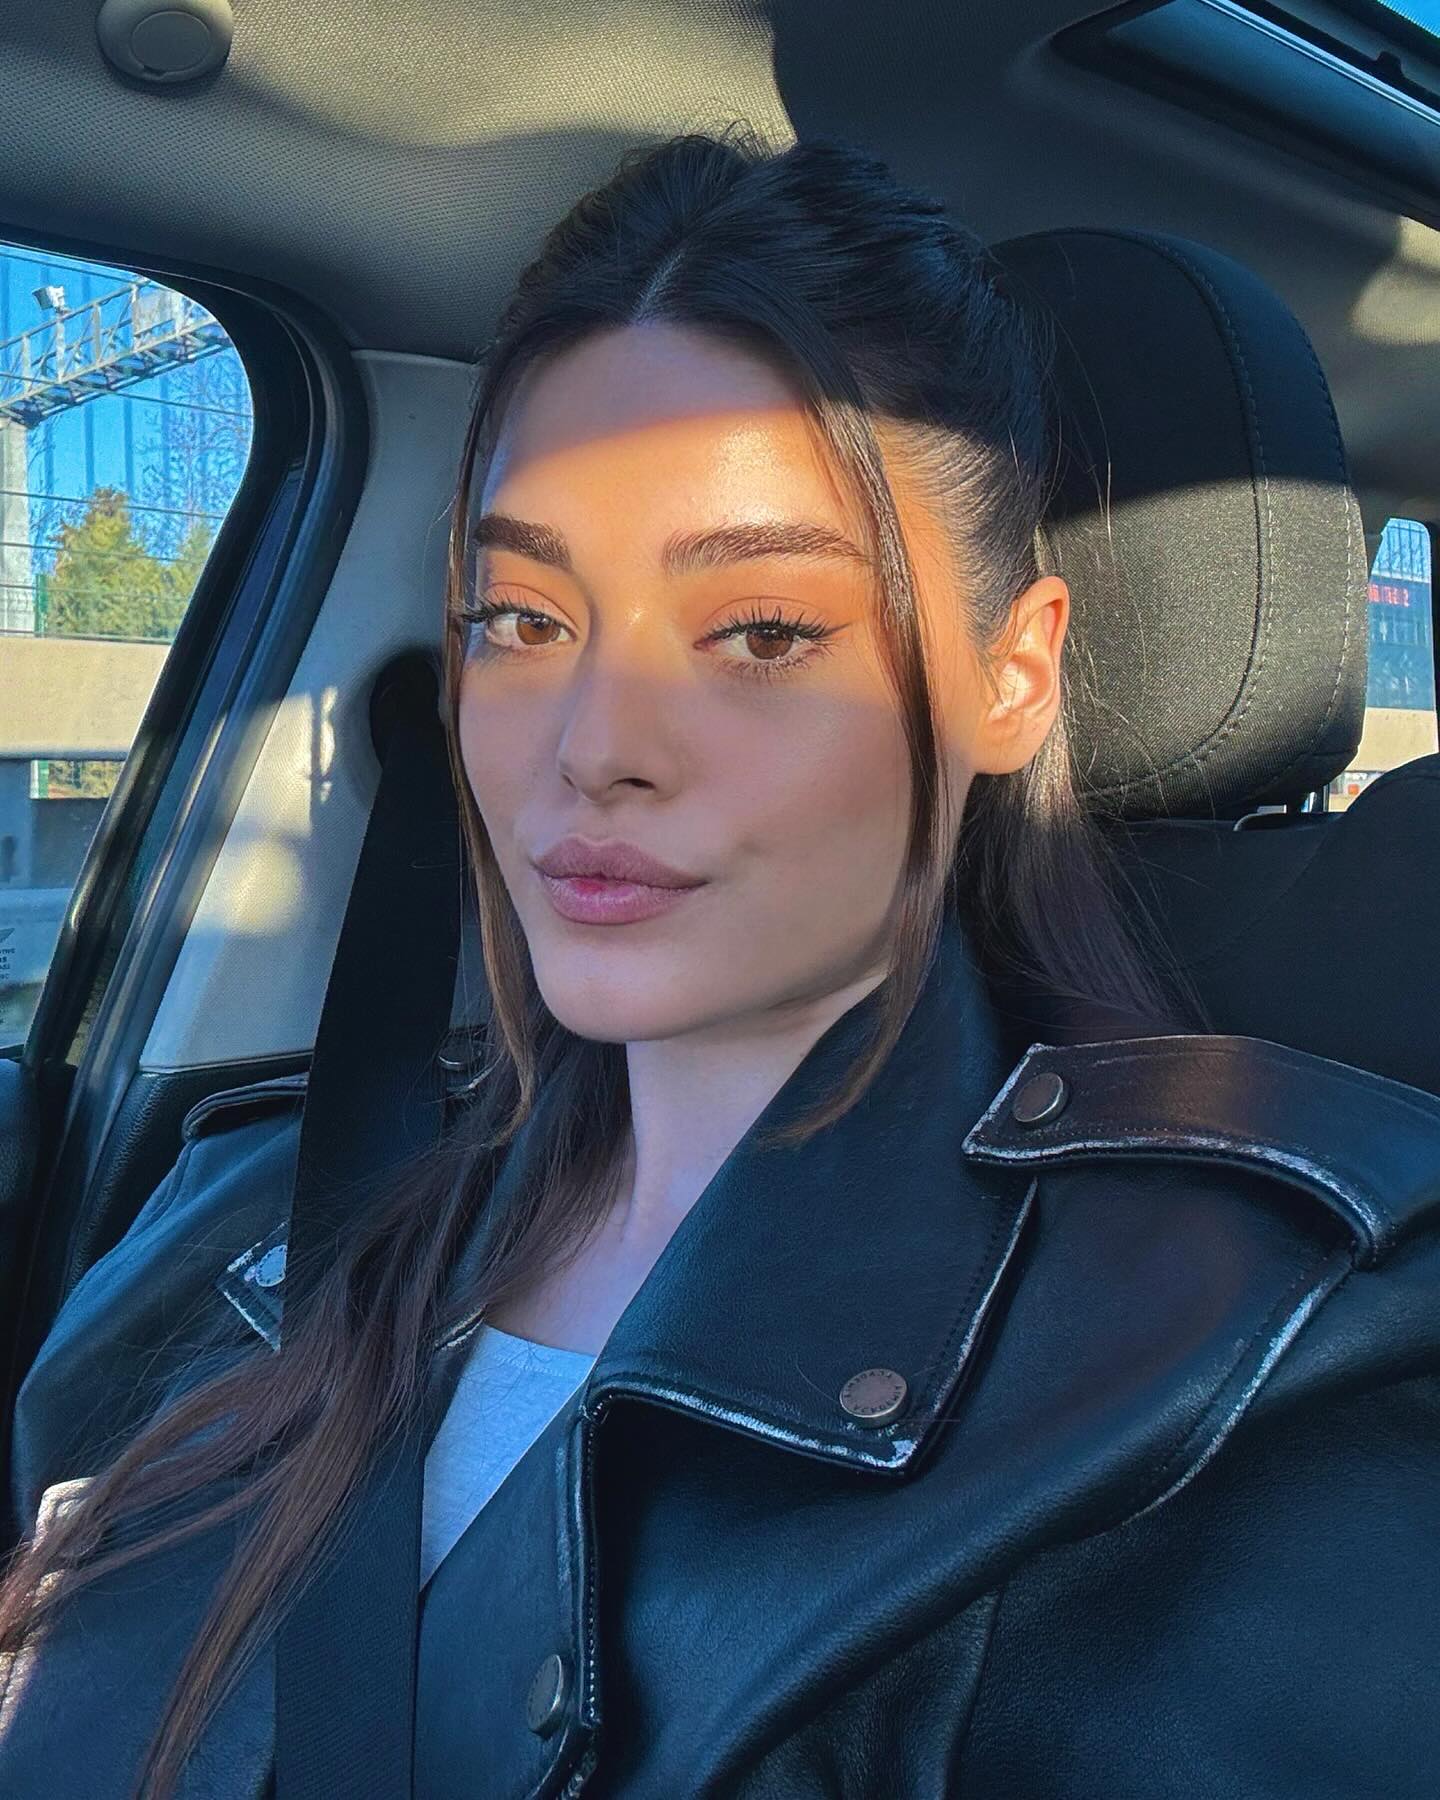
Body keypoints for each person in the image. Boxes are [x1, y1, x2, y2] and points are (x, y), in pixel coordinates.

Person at [2, 125, 1439, 1800]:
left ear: (1012, 675)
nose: (593, 747)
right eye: (521, 622)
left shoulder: (1238, 1390)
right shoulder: (247, 1206)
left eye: (761, 633)